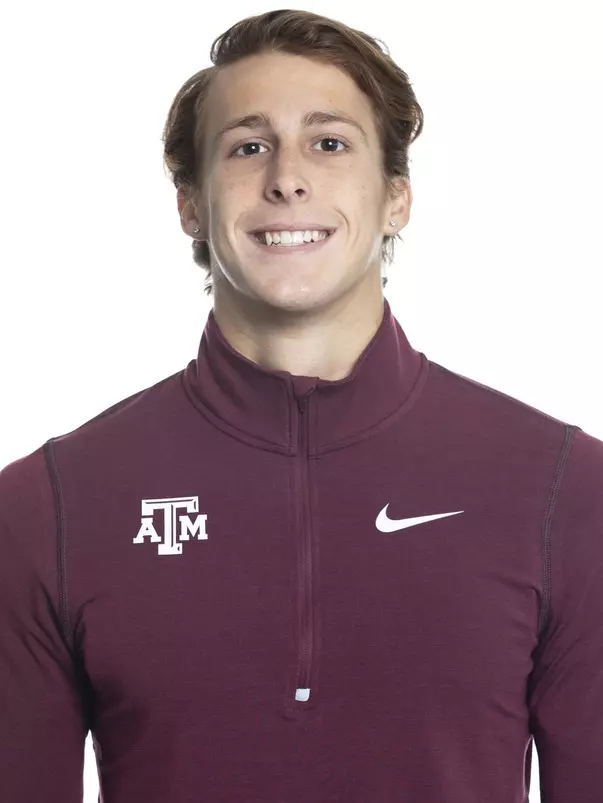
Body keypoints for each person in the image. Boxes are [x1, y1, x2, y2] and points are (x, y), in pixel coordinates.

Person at [1, 9, 601, 803]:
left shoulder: (566, 491)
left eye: (329, 143)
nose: (287, 178)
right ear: (189, 204)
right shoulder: (48, 507)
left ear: (395, 198)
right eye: (248, 147)